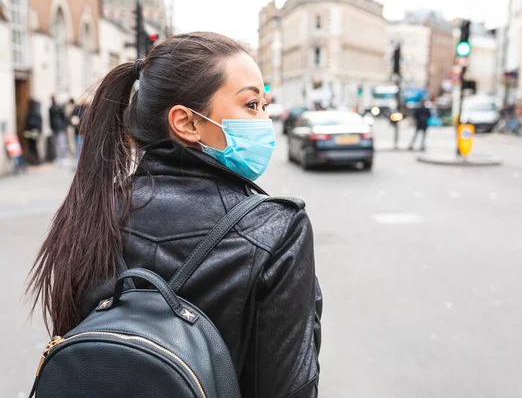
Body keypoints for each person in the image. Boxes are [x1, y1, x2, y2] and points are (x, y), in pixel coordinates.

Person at [27, 32, 322, 397]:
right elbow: (290, 387)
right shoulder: (275, 230)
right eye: (251, 105)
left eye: (263, 105)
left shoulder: (91, 211)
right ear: (187, 122)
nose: (264, 120)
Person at [70, 95, 88, 167]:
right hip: (78, 131)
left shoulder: (88, 108)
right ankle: (78, 164)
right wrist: (73, 120)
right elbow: (71, 117)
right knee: (78, 147)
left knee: (83, 148)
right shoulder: (77, 108)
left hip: (85, 132)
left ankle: (83, 164)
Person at [48, 95, 67, 163]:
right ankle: (60, 157)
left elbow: (63, 117)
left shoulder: (57, 107)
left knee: (60, 143)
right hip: (56, 127)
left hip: (58, 127)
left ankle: (62, 157)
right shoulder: (52, 108)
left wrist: (64, 126)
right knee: (58, 143)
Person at [23, 98, 42, 165]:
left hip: (33, 132)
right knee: (33, 147)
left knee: (33, 147)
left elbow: (34, 122)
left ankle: (35, 161)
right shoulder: (35, 111)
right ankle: (34, 160)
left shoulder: (33, 112)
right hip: (32, 132)